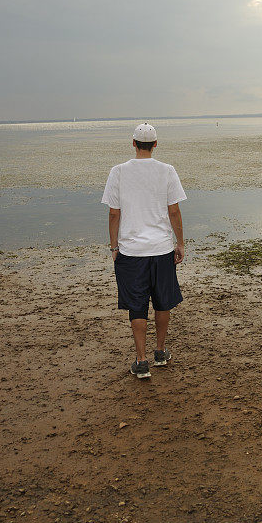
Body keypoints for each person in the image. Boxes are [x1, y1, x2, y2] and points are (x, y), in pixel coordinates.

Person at [101, 122, 187, 379]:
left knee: (136, 306)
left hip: (131, 251)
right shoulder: (167, 171)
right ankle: (160, 351)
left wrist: (114, 246)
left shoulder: (118, 172)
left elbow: (114, 214)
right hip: (161, 249)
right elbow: (174, 211)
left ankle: (141, 361)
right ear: (156, 144)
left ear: (134, 143)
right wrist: (179, 243)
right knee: (163, 302)